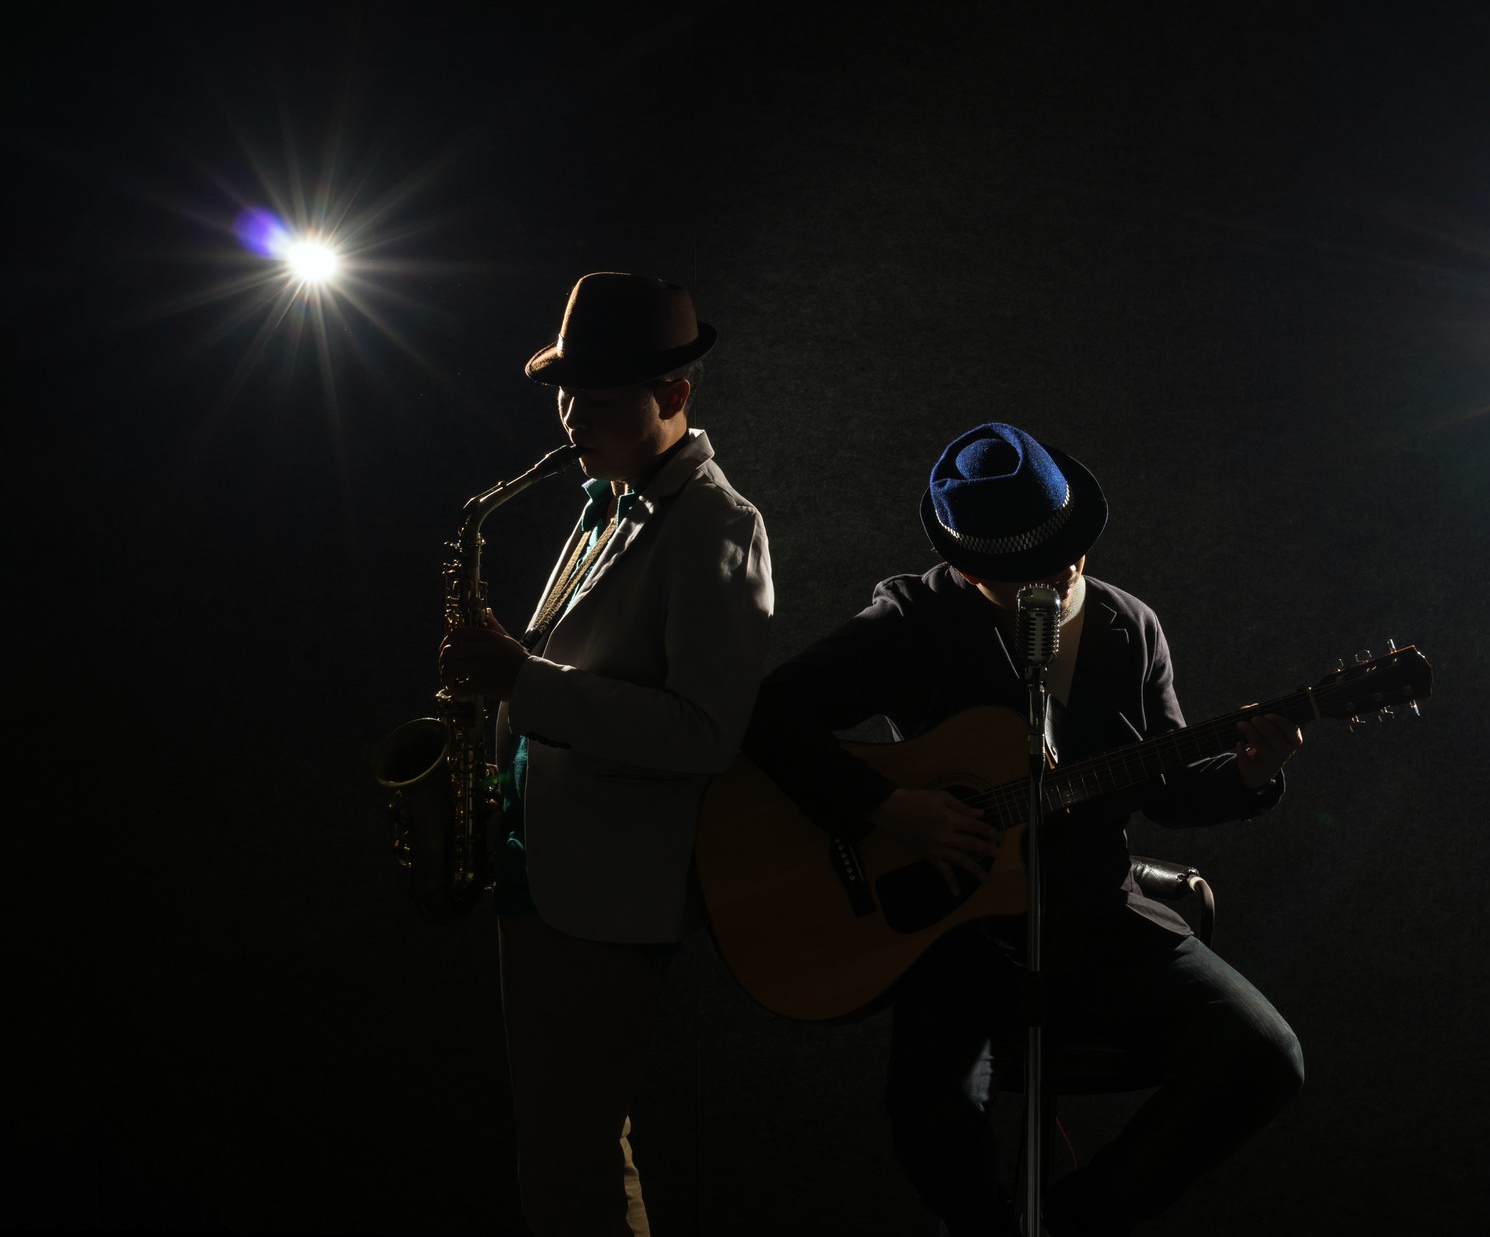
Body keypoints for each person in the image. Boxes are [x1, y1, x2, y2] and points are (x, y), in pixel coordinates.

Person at [741, 422, 1304, 1236]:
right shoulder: (912, 618)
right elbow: (771, 715)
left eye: (1069, 554)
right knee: (931, 1112)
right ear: (968, 567)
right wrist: (889, 807)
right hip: (955, 927)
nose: (1061, 578)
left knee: (1263, 1058)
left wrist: (1253, 772)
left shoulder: (1127, 626)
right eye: (1025, 571)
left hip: (1097, 915)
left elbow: (1168, 790)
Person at [437, 271, 774, 1236]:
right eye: (564, 389)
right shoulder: (607, 500)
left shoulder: (717, 525)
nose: (571, 415)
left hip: (608, 894)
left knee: (571, 1154)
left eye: (599, 395)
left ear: (674, 396)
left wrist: (523, 683)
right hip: (542, 867)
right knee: (566, 1145)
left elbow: (707, 732)